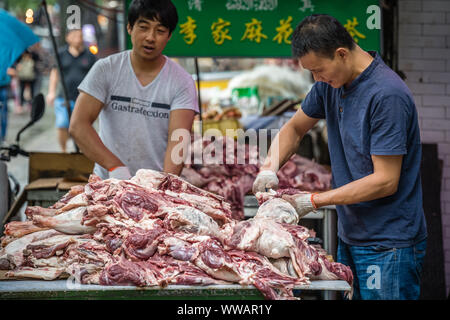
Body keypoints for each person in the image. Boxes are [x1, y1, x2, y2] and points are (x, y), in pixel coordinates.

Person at [252, 14, 427, 300]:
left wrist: (312, 200)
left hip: (388, 244)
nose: (316, 79)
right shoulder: (329, 85)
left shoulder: (386, 95)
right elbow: (295, 128)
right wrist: (269, 167)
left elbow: (385, 180)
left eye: (319, 71)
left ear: (341, 54)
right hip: (352, 234)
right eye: (311, 73)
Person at [69, 0, 198, 180]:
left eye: (160, 31)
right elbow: (78, 126)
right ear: (130, 28)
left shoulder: (182, 82)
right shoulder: (106, 69)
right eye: (143, 27)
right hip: (108, 185)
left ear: (169, 36)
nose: (150, 37)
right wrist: (114, 166)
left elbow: (178, 140)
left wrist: (162, 185)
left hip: (156, 186)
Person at [46, 28, 96, 153]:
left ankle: (80, 151)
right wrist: (51, 92)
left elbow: (96, 76)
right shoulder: (61, 54)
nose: (77, 39)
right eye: (74, 36)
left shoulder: (89, 56)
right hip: (64, 97)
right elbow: (55, 72)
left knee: (82, 127)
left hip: (83, 98)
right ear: (68, 38)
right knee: (62, 124)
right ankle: (63, 151)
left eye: (80, 36)